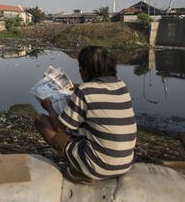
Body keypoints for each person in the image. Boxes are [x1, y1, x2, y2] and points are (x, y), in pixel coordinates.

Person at [34, 46, 136, 184]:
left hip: (98, 167)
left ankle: (82, 172)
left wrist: (49, 108)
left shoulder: (85, 92)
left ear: (86, 70)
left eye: (81, 68)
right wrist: (77, 87)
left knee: (41, 121)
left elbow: (59, 128)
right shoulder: (122, 86)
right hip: (125, 163)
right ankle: (85, 163)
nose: (80, 71)